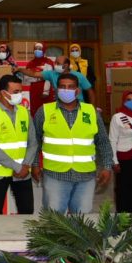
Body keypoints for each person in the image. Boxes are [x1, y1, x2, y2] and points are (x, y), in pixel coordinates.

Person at [32, 73, 113, 213]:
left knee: (82, 219)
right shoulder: (44, 111)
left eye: (70, 87)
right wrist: (35, 164)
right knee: (55, 219)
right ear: (56, 89)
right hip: (55, 175)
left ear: (78, 91)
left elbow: (103, 142)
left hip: (85, 176)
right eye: (62, 87)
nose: (66, 90)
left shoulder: (91, 112)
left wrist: (107, 166)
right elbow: (35, 141)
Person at [0, 75, 38, 215]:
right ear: (3, 93)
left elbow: (33, 142)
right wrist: (17, 167)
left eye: (20, 91)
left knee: (27, 212)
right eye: (16, 92)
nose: (19, 95)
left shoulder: (24, 112)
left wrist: (25, 165)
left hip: (23, 172)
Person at [17, 55, 96, 108]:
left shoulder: (79, 76)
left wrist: (92, 107)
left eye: (58, 63)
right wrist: (19, 69)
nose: (55, 65)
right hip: (60, 107)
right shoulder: (52, 74)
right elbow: (34, 74)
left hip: (79, 106)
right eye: (55, 63)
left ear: (66, 65)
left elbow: (90, 91)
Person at [23, 42, 54, 115]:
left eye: (40, 49)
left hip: (46, 91)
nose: (37, 50)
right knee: (35, 111)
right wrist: (39, 78)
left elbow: (49, 77)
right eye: (36, 49)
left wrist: (46, 91)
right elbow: (26, 79)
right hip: (34, 91)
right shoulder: (30, 63)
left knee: (48, 111)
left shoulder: (48, 62)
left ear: (43, 50)